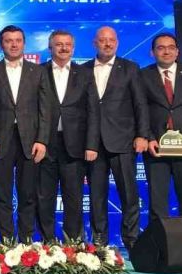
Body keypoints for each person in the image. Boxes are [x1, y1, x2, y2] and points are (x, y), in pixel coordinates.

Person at [0, 25, 50, 243]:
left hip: (30, 141)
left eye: (18, 40)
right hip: (1, 141)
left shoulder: (38, 71)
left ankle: (26, 241)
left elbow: (45, 109)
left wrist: (42, 140)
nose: (13, 44)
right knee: (2, 195)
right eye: (8, 40)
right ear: (1, 44)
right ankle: (7, 242)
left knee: (28, 195)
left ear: (24, 44)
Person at [84, 26, 148, 251]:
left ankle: (131, 242)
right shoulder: (82, 69)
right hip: (93, 144)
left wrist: (142, 135)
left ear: (117, 43)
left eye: (111, 40)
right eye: (103, 40)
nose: (107, 44)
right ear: (95, 43)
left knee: (129, 195)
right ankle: (99, 244)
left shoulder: (130, 68)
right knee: (96, 196)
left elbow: (140, 104)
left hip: (123, 141)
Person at [37, 30, 99, 242]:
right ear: (50, 48)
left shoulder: (85, 73)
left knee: (73, 197)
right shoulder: (38, 72)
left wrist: (92, 145)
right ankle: (47, 243)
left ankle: (73, 244)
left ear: (73, 48)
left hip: (75, 145)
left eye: (67, 44)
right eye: (58, 44)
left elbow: (93, 111)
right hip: (45, 144)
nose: (63, 48)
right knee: (44, 197)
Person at [141, 32, 182, 222]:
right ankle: (160, 241)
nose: (166, 52)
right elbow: (139, 110)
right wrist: (148, 137)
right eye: (161, 48)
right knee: (158, 205)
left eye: (171, 47)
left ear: (177, 52)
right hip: (156, 147)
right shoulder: (143, 76)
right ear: (152, 52)